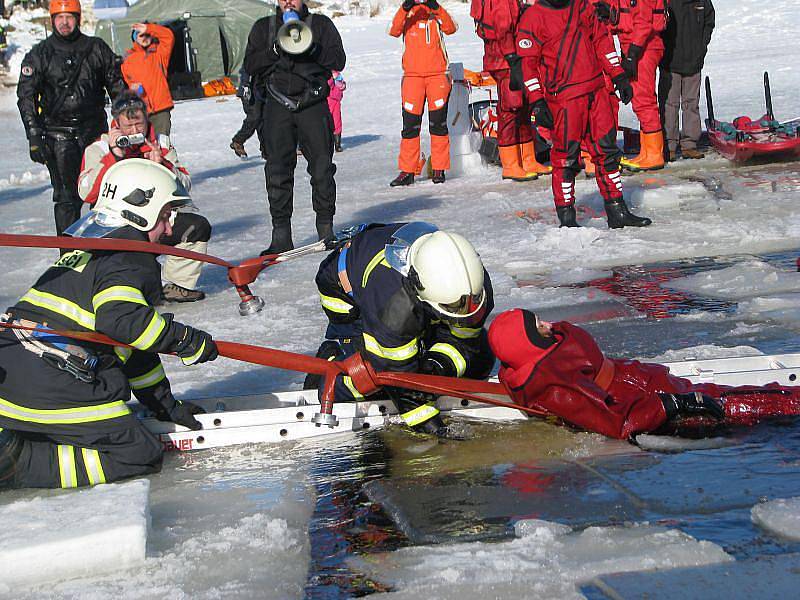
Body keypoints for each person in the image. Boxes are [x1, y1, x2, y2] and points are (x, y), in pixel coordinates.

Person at [0, 160, 218, 490]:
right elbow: (124, 323)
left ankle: (20, 437)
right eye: (164, 215)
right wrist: (184, 339)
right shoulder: (129, 257)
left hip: (16, 376)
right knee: (138, 454)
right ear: (139, 213)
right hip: (50, 385)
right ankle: (16, 464)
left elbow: (133, 350)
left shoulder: (94, 249)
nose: (170, 228)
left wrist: (166, 407)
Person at [488, 308, 800, 440]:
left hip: (640, 384)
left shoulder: (538, 360)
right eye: (537, 326)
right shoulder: (554, 386)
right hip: (647, 400)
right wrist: (672, 405)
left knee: (727, 394)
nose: (547, 325)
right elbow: (616, 422)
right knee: (736, 403)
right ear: (525, 344)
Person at [307, 222, 495, 435]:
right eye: (454, 307)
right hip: (346, 292)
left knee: (481, 360)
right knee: (372, 379)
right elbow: (393, 375)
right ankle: (329, 365)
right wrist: (431, 426)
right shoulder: (393, 306)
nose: (465, 310)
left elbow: (467, 340)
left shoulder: (471, 284)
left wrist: (438, 365)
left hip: (408, 288)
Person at [515, 0, 651, 229]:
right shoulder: (533, 18)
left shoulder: (582, 6)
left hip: (596, 92)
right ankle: (567, 218)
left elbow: (601, 40)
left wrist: (618, 74)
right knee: (566, 158)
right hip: (565, 99)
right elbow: (527, 65)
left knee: (606, 152)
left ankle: (616, 210)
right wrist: (537, 100)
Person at [78, 91, 212, 303]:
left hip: (155, 219)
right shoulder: (99, 147)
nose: (134, 131)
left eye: (138, 125)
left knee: (196, 226)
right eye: (128, 127)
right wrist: (114, 157)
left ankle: (178, 285)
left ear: (146, 119)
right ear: (116, 124)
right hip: (115, 224)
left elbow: (185, 185)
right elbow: (86, 193)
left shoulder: (161, 144)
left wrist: (163, 165)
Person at [243, 0, 346, 255]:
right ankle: (281, 235)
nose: (288, 1)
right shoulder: (263, 27)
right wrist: (274, 51)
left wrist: (314, 49)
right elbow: (250, 65)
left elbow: (338, 60)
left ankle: (325, 229)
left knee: (322, 169)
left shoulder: (321, 25)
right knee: (277, 171)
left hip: (313, 103)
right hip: (277, 105)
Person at [16, 0, 125, 236]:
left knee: (104, 193)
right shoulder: (40, 54)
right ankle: (69, 257)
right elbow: (26, 97)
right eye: (59, 17)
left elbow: (118, 88)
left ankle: (105, 254)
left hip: (95, 133)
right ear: (52, 20)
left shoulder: (96, 48)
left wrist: (124, 124)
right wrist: (34, 135)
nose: (64, 23)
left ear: (78, 18)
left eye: (70, 17)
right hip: (58, 137)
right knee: (67, 199)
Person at [472, 0, 551, 182]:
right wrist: (512, 58)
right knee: (511, 109)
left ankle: (528, 159)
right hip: (505, 60)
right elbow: (503, 27)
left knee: (524, 108)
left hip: (512, 57)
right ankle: (510, 164)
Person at [388, 0, 456, 187]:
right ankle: (408, 171)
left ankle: (439, 168)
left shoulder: (436, 11)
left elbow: (451, 28)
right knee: (410, 126)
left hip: (437, 76)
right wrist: (405, 7)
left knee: (438, 124)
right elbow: (393, 30)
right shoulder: (407, 12)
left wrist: (435, 7)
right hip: (412, 78)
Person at [596, 0, 668, 171]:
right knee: (640, 99)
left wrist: (632, 55)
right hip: (634, 46)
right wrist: (611, 15)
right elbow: (627, 18)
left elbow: (644, 24)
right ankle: (647, 151)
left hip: (643, 47)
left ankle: (654, 155)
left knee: (644, 100)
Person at [658, 0, 715, 162]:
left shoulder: (702, 2)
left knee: (691, 103)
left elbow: (709, 22)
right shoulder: (666, 2)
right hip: (669, 62)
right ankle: (669, 146)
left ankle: (689, 145)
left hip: (694, 60)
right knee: (669, 104)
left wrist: (701, 47)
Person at [120, 21, 175, 137]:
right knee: (143, 147)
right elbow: (127, 81)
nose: (145, 38)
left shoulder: (159, 53)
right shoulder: (128, 59)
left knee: (162, 145)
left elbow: (168, 36)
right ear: (135, 38)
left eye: (147, 35)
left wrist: (149, 28)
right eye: (141, 35)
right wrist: (133, 89)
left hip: (161, 109)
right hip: (140, 110)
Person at [230, 68, 267, 159]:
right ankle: (238, 141)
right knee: (255, 117)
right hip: (250, 91)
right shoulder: (256, 55)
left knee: (264, 120)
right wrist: (246, 85)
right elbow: (247, 68)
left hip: (262, 91)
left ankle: (267, 150)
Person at [328, 70, 346, 152]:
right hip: (328, 100)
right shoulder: (326, 73)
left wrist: (341, 85)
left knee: (337, 122)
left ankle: (337, 144)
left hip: (336, 101)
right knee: (325, 122)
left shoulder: (336, 74)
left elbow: (341, 84)